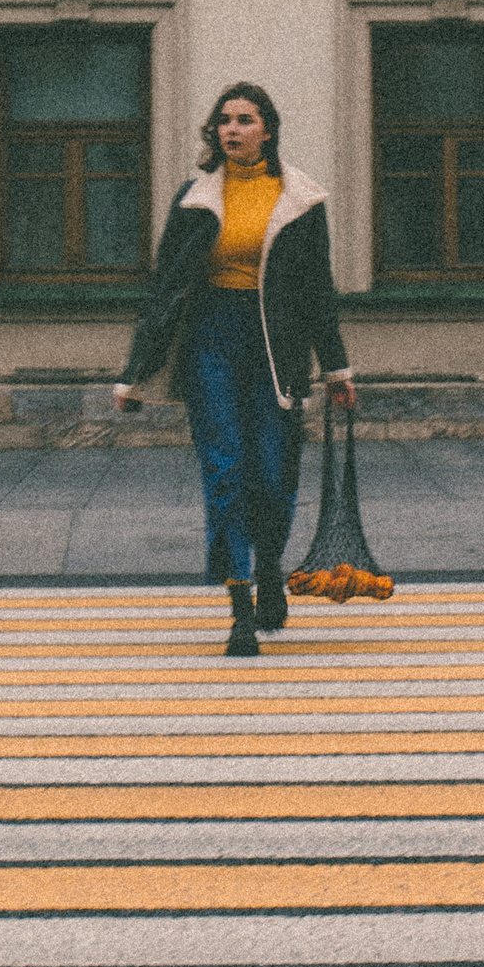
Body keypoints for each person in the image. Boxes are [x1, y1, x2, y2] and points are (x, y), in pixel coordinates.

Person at [113, 81, 354, 659]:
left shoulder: (300, 199)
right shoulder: (195, 198)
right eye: (224, 120)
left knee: (273, 477)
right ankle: (240, 608)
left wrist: (337, 369)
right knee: (225, 470)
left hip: (278, 347)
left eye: (245, 120)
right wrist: (134, 373)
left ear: (267, 130)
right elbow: (166, 288)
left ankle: (268, 562)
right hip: (211, 341)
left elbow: (317, 289)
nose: (232, 129)